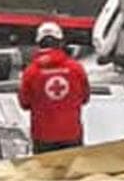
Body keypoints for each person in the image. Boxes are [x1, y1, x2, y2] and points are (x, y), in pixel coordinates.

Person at [18, 20, 89, 153]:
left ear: (39, 43)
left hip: (43, 137)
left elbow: (24, 103)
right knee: (73, 173)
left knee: (44, 173)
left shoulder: (31, 71)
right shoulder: (75, 68)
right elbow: (85, 98)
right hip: (72, 135)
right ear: (60, 42)